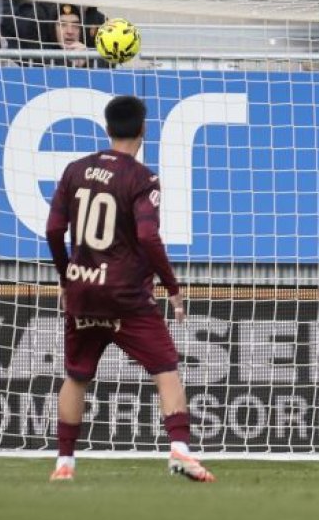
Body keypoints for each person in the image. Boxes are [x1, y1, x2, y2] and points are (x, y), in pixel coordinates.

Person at [45, 95, 215, 483]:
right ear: (143, 130)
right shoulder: (141, 178)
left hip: (83, 291)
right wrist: (171, 285)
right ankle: (180, 451)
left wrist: (65, 276)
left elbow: (54, 230)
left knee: (76, 375)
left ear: (107, 129)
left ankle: (64, 464)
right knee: (166, 369)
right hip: (126, 296)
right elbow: (148, 237)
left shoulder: (74, 170)